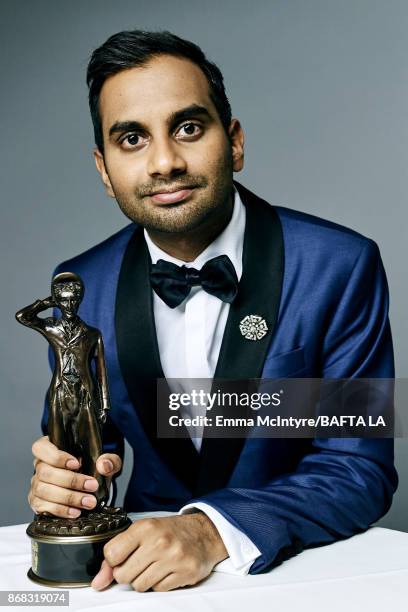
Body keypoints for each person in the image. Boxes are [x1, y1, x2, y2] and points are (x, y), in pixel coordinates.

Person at [28, 30, 398, 593]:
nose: (164, 162)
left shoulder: (340, 265)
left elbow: (358, 468)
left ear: (236, 142)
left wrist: (208, 531)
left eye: (188, 128)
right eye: (132, 139)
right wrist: (66, 482)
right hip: (139, 581)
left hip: (300, 576)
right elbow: (90, 446)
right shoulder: (82, 284)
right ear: (105, 171)